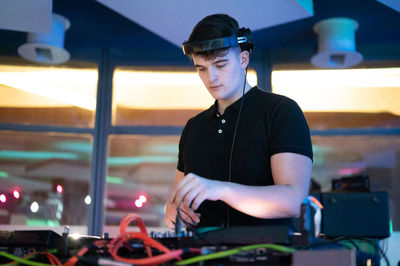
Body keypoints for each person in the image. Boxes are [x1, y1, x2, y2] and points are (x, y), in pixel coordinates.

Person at [164, 14, 313, 229]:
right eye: (201, 69)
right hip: (199, 257)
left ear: (243, 59)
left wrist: (220, 190)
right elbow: (176, 200)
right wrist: (174, 210)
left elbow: (293, 200)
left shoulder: (281, 112)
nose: (211, 78)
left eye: (220, 65)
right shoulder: (193, 127)